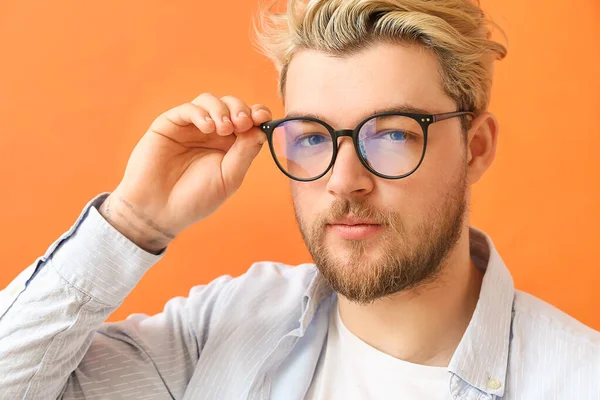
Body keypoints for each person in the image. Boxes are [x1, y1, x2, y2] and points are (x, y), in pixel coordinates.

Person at [1, 0, 599, 398]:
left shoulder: (577, 378)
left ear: (475, 149)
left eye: (391, 134)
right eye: (313, 137)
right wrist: (132, 222)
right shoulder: (223, 330)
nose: (343, 180)